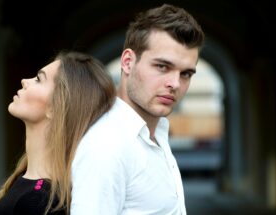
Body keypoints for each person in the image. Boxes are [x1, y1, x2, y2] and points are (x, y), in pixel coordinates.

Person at [71, 3, 205, 215]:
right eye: (162, 66)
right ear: (127, 62)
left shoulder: (155, 134)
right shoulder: (106, 147)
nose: (175, 83)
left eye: (186, 73)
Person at [0, 51, 116, 215]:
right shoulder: (28, 188)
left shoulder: (39, 202)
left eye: (38, 79)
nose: (24, 81)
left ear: (56, 107)